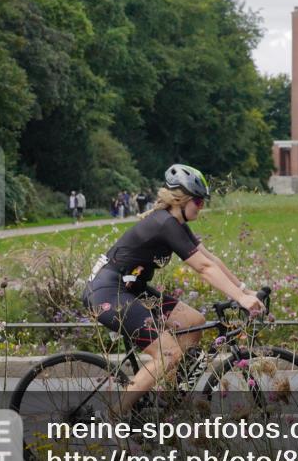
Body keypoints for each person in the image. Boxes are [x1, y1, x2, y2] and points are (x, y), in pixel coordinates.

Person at [83, 164, 264, 417]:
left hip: (132, 289)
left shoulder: (176, 223)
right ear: (182, 199)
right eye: (199, 202)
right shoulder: (163, 223)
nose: (202, 207)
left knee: (193, 322)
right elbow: (202, 268)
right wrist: (241, 298)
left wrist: (244, 289)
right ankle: (114, 415)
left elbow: (209, 259)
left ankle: (169, 397)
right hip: (107, 292)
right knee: (168, 353)